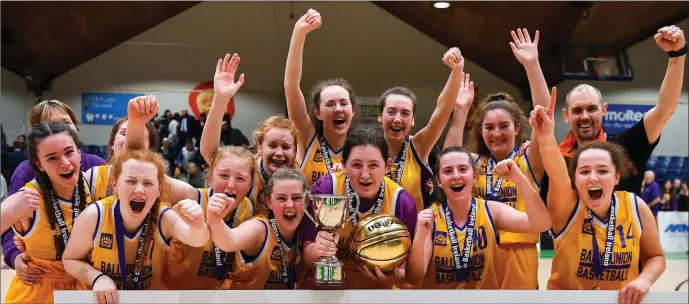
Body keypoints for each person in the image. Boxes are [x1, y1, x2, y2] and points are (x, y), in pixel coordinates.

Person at [531, 88, 665, 301]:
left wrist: (644, 279)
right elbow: (556, 173)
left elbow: (656, 257)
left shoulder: (636, 207)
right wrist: (545, 135)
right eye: (584, 171)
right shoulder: (568, 207)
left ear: (617, 177)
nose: (593, 178)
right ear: (574, 178)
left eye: (602, 171)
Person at [442, 28, 551, 289]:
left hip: (520, 257)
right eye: (488, 127)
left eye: (503, 126)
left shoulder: (530, 159)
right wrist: (460, 111)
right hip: (475, 254)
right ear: (480, 131)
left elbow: (545, 115)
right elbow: (448, 156)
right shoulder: (474, 164)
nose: (496, 133)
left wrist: (532, 65)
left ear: (516, 127)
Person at [122, 90, 256, 290]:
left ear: (251, 183)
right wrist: (137, 121)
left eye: (240, 179)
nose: (230, 185)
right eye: (223, 176)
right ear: (210, 177)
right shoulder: (190, 196)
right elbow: (137, 162)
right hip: (172, 297)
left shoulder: (248, 208)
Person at [62, 149, 210, 303]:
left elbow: (198, 239)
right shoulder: (95, 215)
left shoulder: (163, 217)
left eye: (148, 183)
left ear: (159, 189)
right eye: (131, 181)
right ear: (115, 185)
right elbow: (70, 259)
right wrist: (97, 277)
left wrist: (198, 225)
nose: (139, 190)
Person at [556, 25, 685, 193]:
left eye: (591, 109)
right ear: (566, 116)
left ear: (604, 110)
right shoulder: (557, 160)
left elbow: (665, 109)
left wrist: (677, 55)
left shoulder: (626, 146)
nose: (585, 116)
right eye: (577, 110)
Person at [406, 146, 551, 289]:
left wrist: (519, 179)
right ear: (439, 181)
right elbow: (414, 277)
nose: (456, 175)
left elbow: (542, 224)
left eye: (463, 169)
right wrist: (420, 237)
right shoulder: (431, 218)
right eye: (448, 171)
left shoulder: (491, 210)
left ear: (475, 176)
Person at [2, 100, 106, 285]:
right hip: (43, 278)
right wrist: (15, 255)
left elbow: (136, 170)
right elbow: (11, 225)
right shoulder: (26, 181)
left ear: (76, 126)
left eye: (64, 123)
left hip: (87, 276)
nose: (56, 130)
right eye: (48, 126)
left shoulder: (95, 169)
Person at [302, 127, 418, 289]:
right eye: (356, 165)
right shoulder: (327, 189)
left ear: (387, 166)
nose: (364, 174)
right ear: (343, 165)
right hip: (329, 291)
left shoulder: (402, 202)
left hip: (376, 295)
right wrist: (318, 250)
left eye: (373, 165)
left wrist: (394, 277)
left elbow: (410, 274)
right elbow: (306, 255)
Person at [200, 53, 299, 214]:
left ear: (295, 152)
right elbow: (209, 152)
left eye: (286, 147)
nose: (279, 153)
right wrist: (220, 99)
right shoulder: (246, 169)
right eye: (272, 145)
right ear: (259, 148)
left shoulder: (299, 175)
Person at [3, 122, 91, 303]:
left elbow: (137, 164)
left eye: (69, 152)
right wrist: (13, 252)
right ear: (39, 164)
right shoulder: (28, 198)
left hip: (81, 289)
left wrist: (136, 120)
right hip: (38, 293)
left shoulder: (92, 182)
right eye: (52, 158)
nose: (65, 163)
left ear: (79, 152)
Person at [376, 47, 463, 212]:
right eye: (391, 111)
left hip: (417, 235)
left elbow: (442, 111)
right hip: (375, 236)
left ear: (413, 120)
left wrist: (456, 71)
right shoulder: (368, 148)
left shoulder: (418, 146)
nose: (397, 119)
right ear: (380, 116)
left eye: (405, 113)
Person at [285, 9, 358, 186]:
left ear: (353, 111)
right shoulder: (307, 136)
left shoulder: (360, 150)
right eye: (330, 104)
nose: (338, 109)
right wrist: (299, 33)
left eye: (343, 103)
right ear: (317, 113)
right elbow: (291, 86)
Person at [211, 168, 306, 290]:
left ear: (306, 200)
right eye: (281, 198)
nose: (289, 205)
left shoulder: (304, 233)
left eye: (296, 198)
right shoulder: (259, 229)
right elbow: (228, 240)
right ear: (269, 202)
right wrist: (215, 219)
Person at [84, 111, 158, 202]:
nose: (130, 140)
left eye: (140, 136)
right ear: (112, 142)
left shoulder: (157, 180)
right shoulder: (93, 176)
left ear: (149, 149)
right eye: (124, 134)